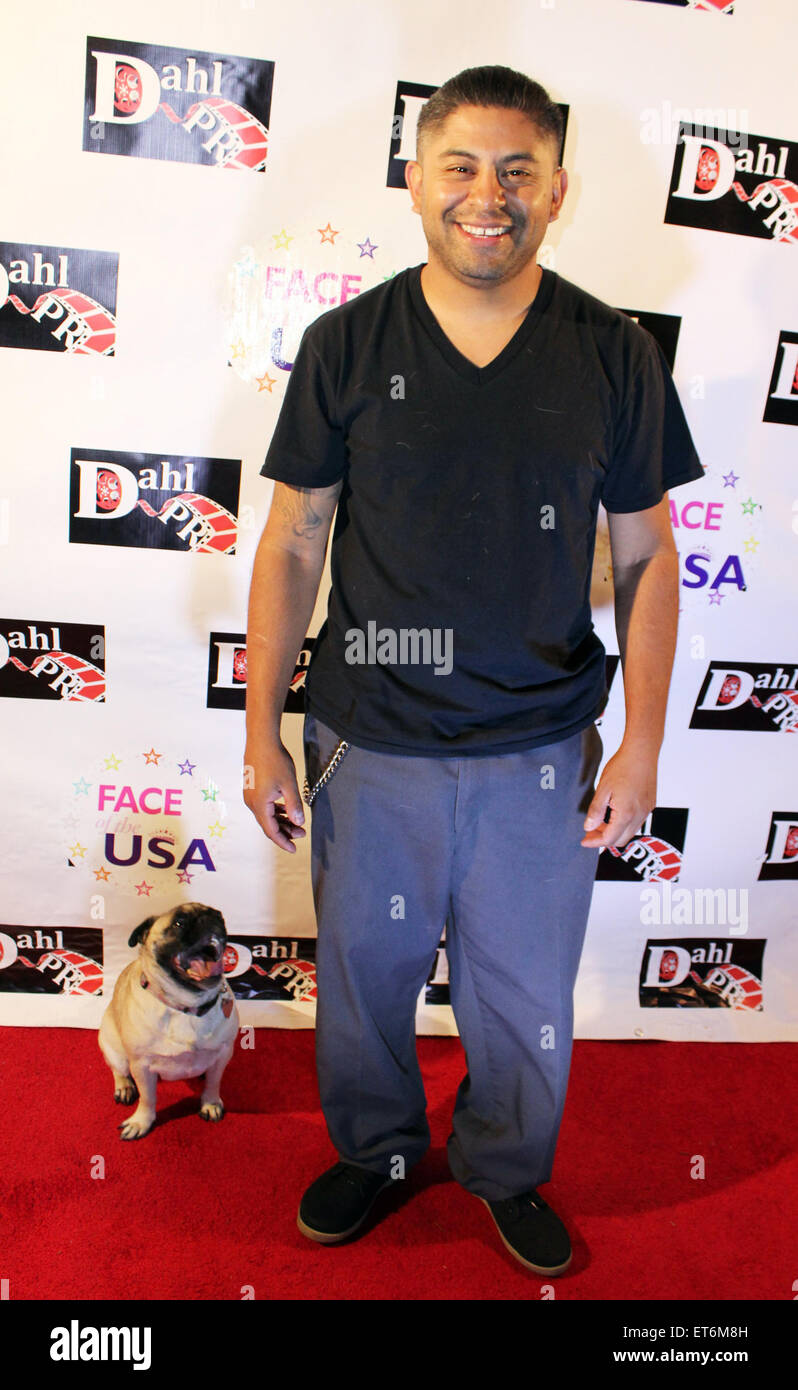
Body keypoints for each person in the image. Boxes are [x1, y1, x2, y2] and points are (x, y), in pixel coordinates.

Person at [243, 64, 704, 1276]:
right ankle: (379, 1153)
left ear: (558, 189)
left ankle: (504, 1168)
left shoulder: (613, 354)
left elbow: (648, 556)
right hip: (368, 740)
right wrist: (258, 728)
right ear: (416, 181)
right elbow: (293, 541)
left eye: (516, 171)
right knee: (365, 981)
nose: (487, 197)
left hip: (539, 750)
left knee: (523, 995)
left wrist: (645, 742)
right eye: (461, 167)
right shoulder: (348, 344)